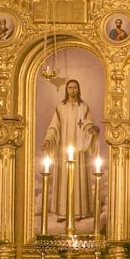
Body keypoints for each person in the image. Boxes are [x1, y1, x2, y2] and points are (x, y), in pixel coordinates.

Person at [42, 79, 100, 221]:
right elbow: (54, 127)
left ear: (78, 90)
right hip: (63, 149)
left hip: (79, 150)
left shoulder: (84, 107)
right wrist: (49, 140)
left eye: (75, 88)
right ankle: (63, 213)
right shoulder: (60, 107)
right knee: (64, 179)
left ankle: (80, 212)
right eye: (70, 88)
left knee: (79, 178)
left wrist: (91, 129)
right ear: (66, 90)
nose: (72, 90)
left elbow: (88, 124)